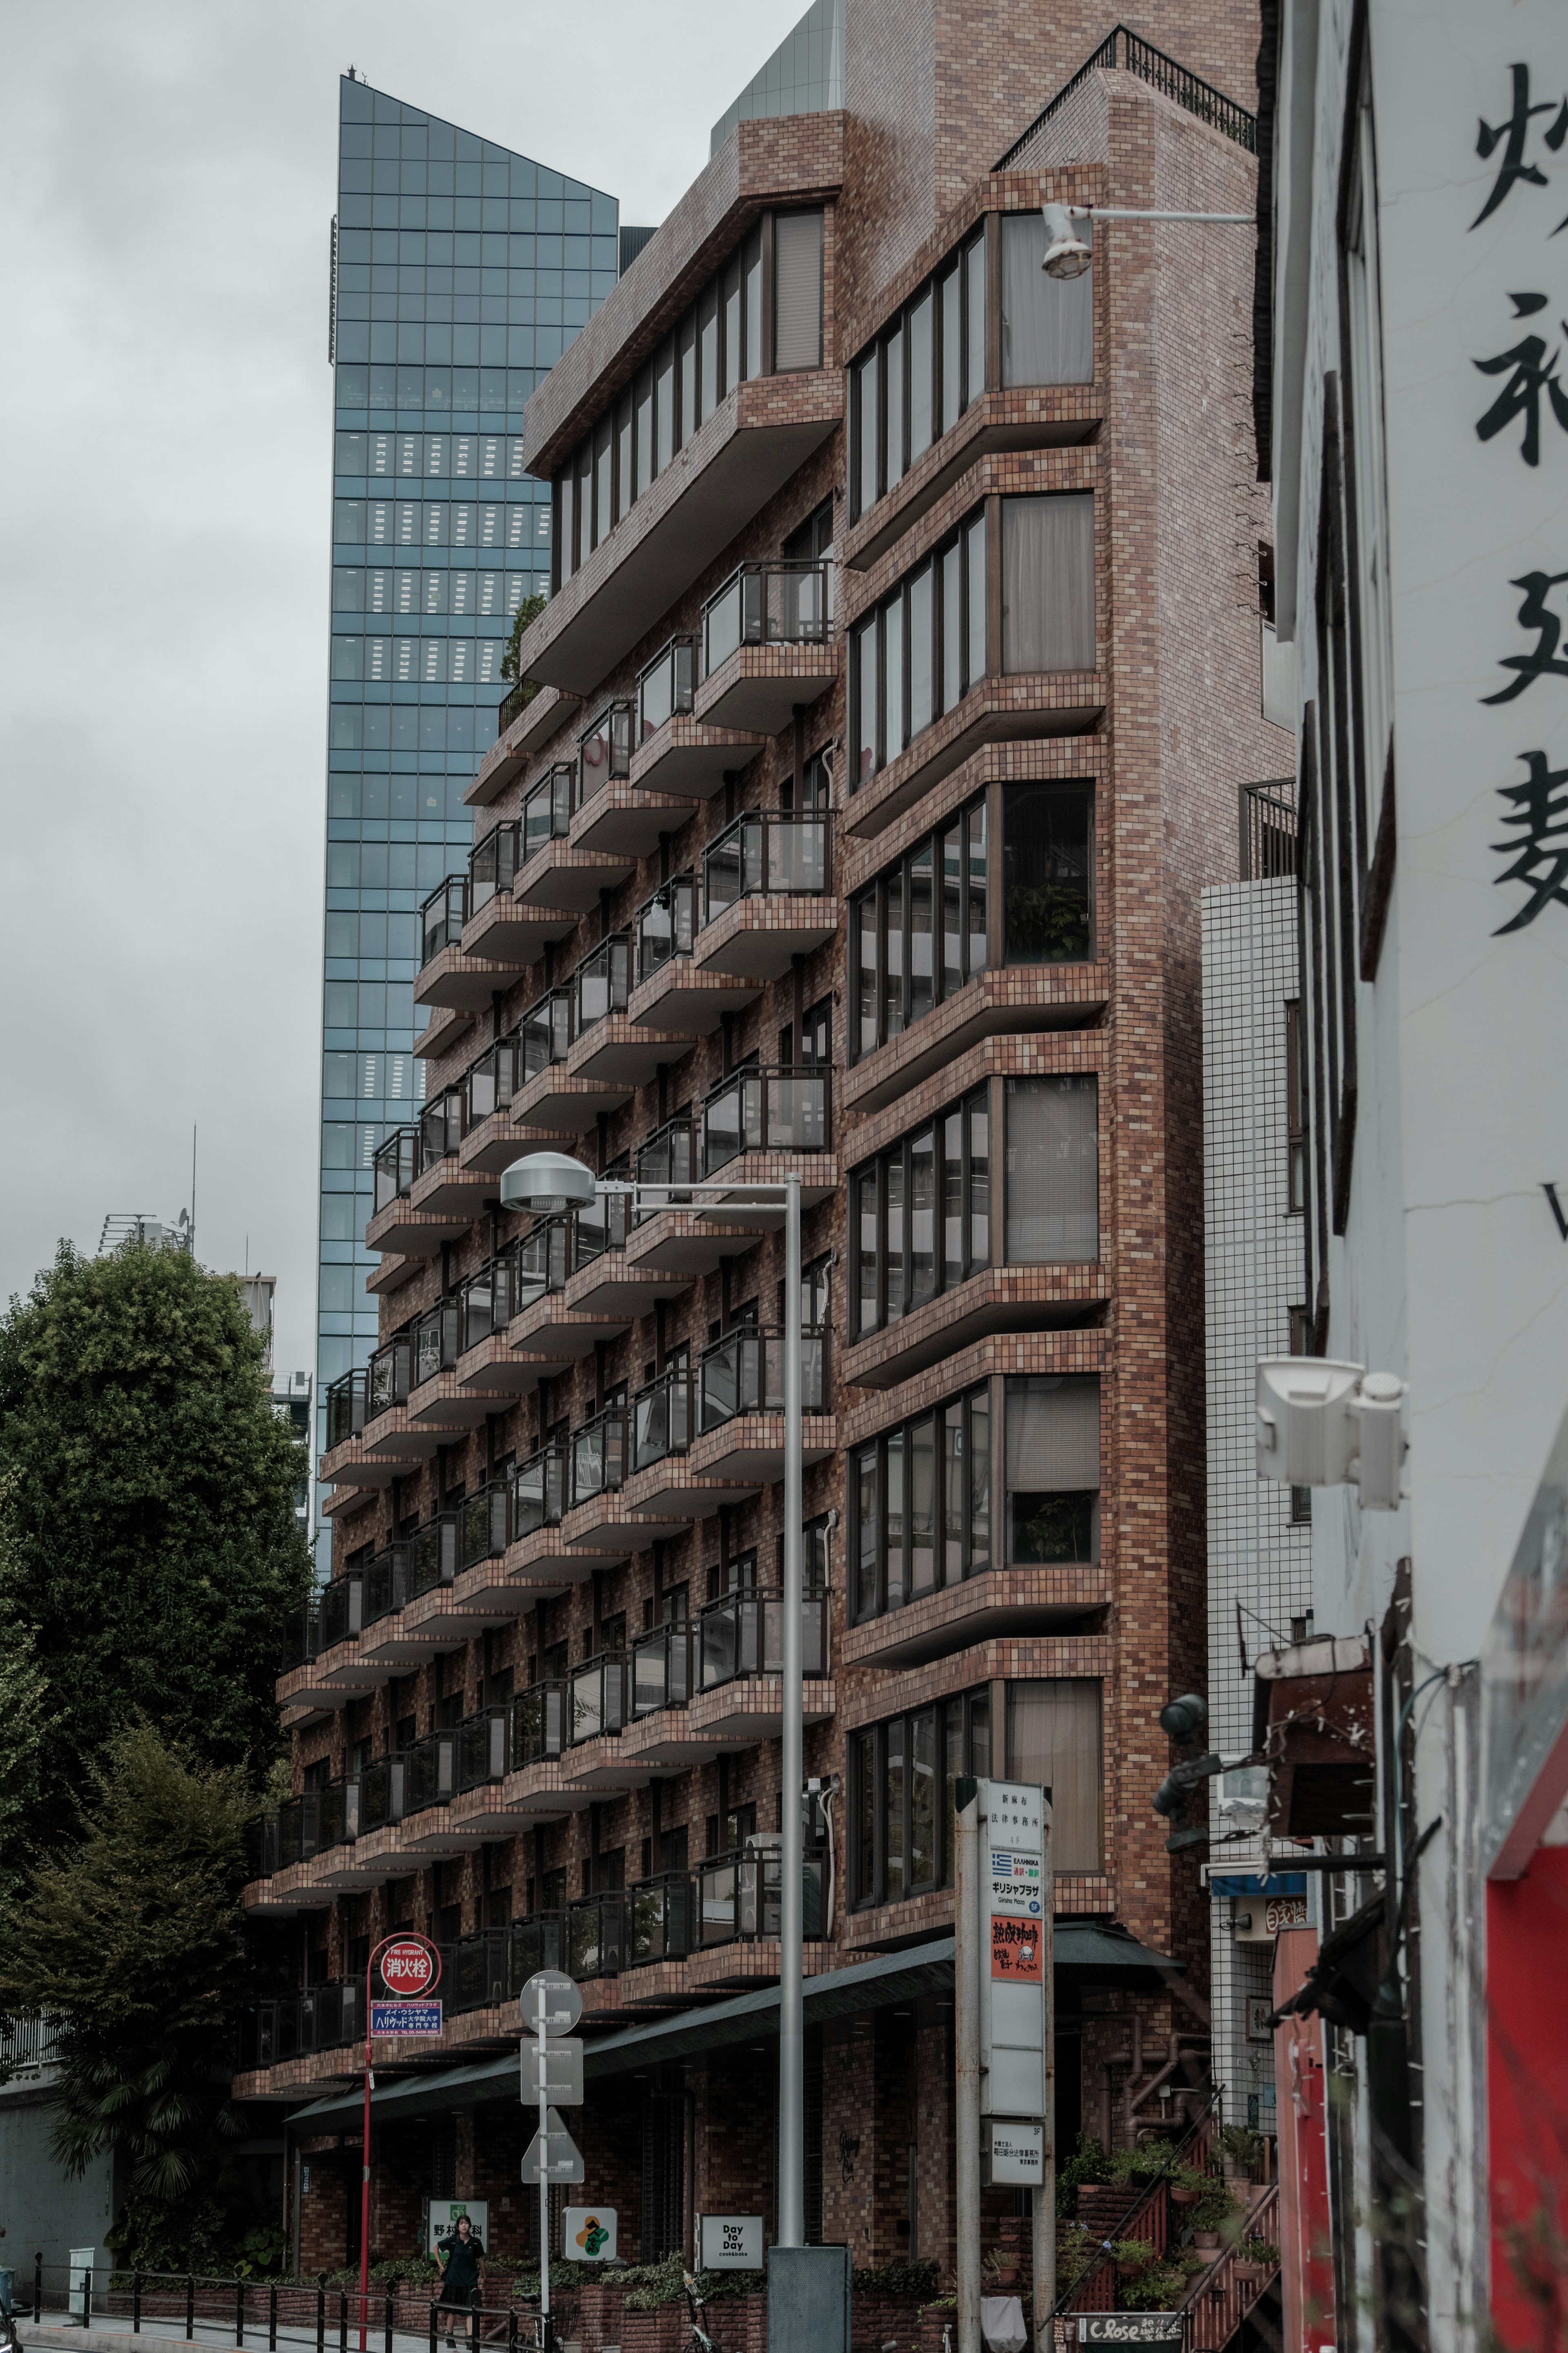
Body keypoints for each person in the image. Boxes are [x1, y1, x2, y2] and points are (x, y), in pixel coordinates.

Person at [435, 2212, 485, 2351]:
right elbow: (436, 2247)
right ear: (457, 2227)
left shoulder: (476, 2242)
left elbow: (480, 2259)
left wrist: (484, 2275)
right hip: (454, 2280)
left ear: (470, 2226)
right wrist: (440, 2265)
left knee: (470, 2310)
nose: (464, 2226)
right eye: (461, 2224)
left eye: (466, 2223)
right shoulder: (452, 2240)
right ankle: (450, 2336)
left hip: (470, 2280)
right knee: (453, 2311)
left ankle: (470, 2339)